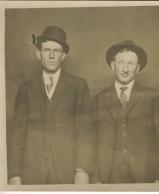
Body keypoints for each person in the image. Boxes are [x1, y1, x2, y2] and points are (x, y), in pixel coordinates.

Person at [7, 26, 95, 185]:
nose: (52, 55)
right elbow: (17, 134)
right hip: (31, 172)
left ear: (64, 55)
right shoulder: (26, 88)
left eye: (57, 50)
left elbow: (86, 133)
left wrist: (82, 171)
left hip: (66, 171)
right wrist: (14, 174)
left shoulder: (78, 86)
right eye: (47, 50)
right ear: (38, 54)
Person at [93, 40, 159, 183]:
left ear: (137, 68)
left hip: (145, 174)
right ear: (113, 66)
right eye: (121, 63)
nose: (125, 69)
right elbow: (91, 140)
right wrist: (95, 178)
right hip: (108, 174)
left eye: (130, 64)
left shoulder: (152, 97)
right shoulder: (98, 99)